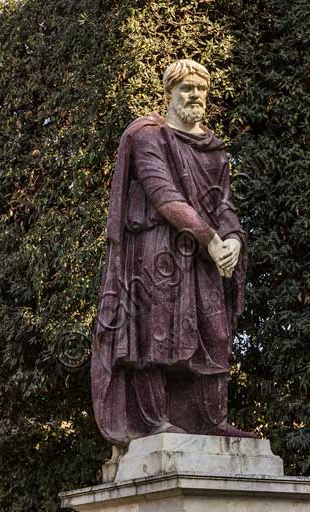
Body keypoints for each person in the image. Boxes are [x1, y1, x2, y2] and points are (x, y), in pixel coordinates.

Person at [91, 59, 256, 447]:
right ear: (169, 94)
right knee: (156, 334)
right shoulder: (148, 137)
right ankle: (156, 421)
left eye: (201, 89)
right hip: (157, 248)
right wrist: (210, 238)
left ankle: (214, 419)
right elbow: (163, 194)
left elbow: (225, 206)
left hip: (202, 257)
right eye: (186, 89)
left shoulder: (214, 151)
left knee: (215, 334)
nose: (195, 95)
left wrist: (231, 238)